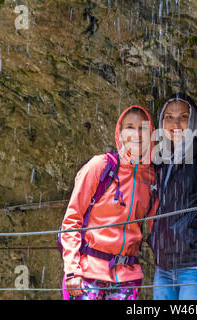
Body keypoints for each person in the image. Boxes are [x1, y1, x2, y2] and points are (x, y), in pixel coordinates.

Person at [60, 105, 158, 300]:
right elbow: (72, 219)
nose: (137, 134)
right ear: (119, 133)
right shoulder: (101, 166)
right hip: (88, 274)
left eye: (143, 128)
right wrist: (72, 269)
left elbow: (158, 227)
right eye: (130, 127)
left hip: (127, 278)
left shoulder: (151, 177)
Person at [147, 92, 197, 300]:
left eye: (183, 117)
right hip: (162, 266)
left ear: (193, 121)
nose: (176, 124)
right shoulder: (159, 160)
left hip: (194, 266)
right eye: (169, 117)